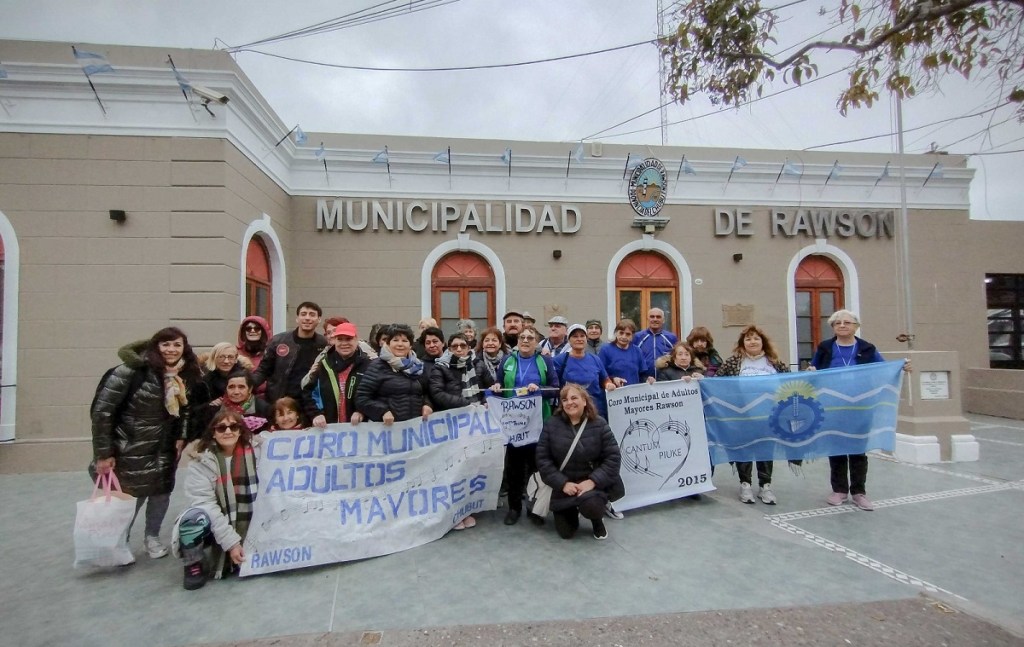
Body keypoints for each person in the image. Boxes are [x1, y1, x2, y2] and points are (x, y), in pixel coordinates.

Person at [92, 326, 202, 560]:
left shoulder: (185, 375)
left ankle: (152, 537)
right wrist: (104, 452)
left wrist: (182, 436)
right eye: (166, 344)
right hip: (131, 447)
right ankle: (119, 541)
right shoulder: (130, 372)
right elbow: (103, 412)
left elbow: (186, 410)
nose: (171, 350)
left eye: (176, 345)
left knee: (161, 494)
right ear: (155, 346)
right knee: (132, 496)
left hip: (165, 447)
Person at [808, 309, 910, 511]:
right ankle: (839, 490)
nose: (842, 325)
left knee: (857, 450)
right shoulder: (826, 347)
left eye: (847, 322)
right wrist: (811, 371)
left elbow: (883, 369)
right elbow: (814, 370)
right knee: (836, 449)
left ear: (856, 326)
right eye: (837, 323)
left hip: (861, 406)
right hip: (833, 406)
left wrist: (900, 367)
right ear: (833, 328)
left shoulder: (867, 348)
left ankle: (858, 492)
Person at [174, 409, 261, 590]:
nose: (228, 431)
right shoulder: (200, 462)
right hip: (216, 523)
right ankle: (194, 564)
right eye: (221, 428)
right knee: (193, 519)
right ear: (213, 432)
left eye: (233, 427)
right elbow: (206, 505)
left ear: (241, 430)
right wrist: (231, 543)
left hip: (251, 519)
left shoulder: (258, 451)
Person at [490, 324, 560, 526]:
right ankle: (514, 508)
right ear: (517, 341)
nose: (526, 340)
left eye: (530, 337)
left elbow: (555, 388)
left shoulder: (545, 361)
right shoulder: (507, 360)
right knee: (514, 468)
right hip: (514, 425)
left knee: (536, 468)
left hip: (538, 424)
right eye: (522, 337)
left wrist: (539, 389)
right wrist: (495, 388)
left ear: (537, 342)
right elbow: (499, 386)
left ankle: (535, 508)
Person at [535, 383, 622, 541]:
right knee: (566, 533)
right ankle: (571, 511)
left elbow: (613, 458)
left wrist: (592, 482)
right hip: (563, 486)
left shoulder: (600, 424)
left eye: (574, 398)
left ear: (584, 401)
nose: (569, 402)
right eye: (565, 399)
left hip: (590, 485)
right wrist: (562, 484)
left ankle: (597, 520)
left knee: (592, 507)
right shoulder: (551, 424)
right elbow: (543, 459)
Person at [716, 324, 790, 505]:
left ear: (763, 342)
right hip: (742, 415)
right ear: (742, 343)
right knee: (744, 449)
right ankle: (745, 484)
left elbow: (790, 382)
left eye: (756, 338)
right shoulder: (734, 362)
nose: (752, 341)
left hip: (769, 415)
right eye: (748, 338)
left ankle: (765, 486)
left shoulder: (774, 362)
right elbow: (717, 381)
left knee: (765, 450)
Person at [429, 332, 481, 530]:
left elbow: (486, 388)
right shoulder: (440, 368)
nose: (459, 349)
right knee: (451, 470)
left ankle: (466, 509)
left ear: (469, 348)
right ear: (448, 349)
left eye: (463, 346)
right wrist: (465, 404)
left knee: (468, 469)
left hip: (473, 425)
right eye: (454, 346)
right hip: (450, 425)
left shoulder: (477, 365)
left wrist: (492, 389)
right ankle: (452, 513)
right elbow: (437, 393)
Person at [355, 324, 433, 425]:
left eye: (405, 341)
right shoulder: (377, 366)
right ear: (388, 344)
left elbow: (427, 392)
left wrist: (427, 404)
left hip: (414, 429)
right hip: (387, 430)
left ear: (410, 345)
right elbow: (361, 398)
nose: (400, 344)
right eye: (395, 340)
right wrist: (382, 411)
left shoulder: (418, 366)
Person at [251, 302, 326, 404]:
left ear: (319, 320)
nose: (307, 318)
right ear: (297, 319)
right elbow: (263, 370)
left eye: (312, 315)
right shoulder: (278, 341)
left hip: (310, 403)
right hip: (280, 400)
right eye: (303, 314)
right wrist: (247, 384)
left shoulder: (324, 344)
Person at [302, 322, 372, 427]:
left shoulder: (368, 365)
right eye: (340, 339)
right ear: (334, 340)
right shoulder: (323, 365)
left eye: (348, 339)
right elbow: (308, 393)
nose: (344, 343)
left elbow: (375, 395)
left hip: (359, 431)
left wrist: (362, 412)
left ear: (356, 340)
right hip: (329, 431)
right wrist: (316, 414)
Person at [193, 342, 254, 436]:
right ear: (214, 358)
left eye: (230, 357)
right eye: (221, 357)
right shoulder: (204, 381)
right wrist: (210, 404)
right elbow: (196, 408)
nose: (226, 361)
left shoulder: (245, 377)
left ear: (236, 359)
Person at [554, 324, 615, 420]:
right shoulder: (559, 360)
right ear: (569, 340)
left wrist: (608, 385)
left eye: (582, 336)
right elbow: (554, 385)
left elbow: (605, 380)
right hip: (570, 413)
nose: (579, 339)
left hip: (595, 411)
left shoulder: (595, 359)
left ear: (586, 339)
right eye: (575, 336)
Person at [600, 319, 651, 389]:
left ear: (632, 336)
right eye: (621, 333)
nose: (624, 337)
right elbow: (600, 374)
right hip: (613, 394)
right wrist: (613, 379)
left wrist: (648, 379)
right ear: (615, 333)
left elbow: (642, 375)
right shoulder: (605, 350)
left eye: (628, 334)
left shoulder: (637, 351)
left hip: (634, 395)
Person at [634, 307, 678, 382]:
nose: (655, 319)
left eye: (658, 317)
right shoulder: (637, 337)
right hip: (643, 381)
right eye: (652, 317)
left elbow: (676, 358)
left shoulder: (671, 337)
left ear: (663, 320)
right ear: (648, 319)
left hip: (665, 380)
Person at [473, 326, 510, 394]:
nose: (490, 343)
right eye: (487, 340)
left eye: (494, 340)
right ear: (483, 344)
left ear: (500, 344)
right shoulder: (475, 361)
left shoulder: (509, 360)